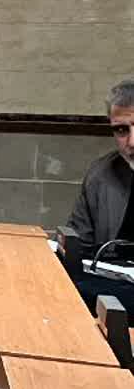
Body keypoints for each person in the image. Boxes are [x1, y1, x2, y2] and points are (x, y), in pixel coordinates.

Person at [62, 79, 134, 308]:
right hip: (110, 282)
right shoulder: (101, 175)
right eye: (122, 130)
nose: (132, 142)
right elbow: (77, 244)